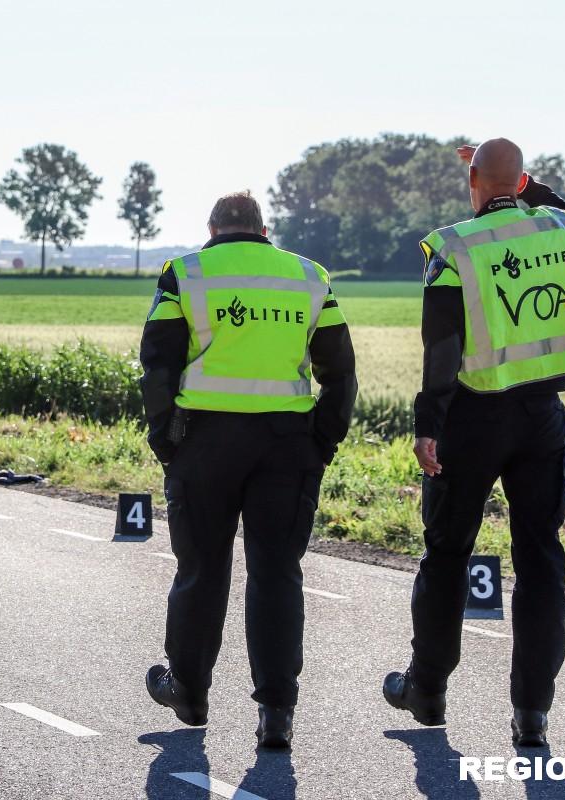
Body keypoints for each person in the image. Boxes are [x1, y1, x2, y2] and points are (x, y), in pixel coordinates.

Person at [382, 139, 565, 747]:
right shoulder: (561, 228)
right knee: (540, 561)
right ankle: (532, 711)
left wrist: (428, 422)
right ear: (526, 181)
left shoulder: (454, 246)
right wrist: (524, 186)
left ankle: (426, 690)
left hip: (473, 417)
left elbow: (442, 345)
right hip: (542, 416)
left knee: (448, 553)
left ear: (472, 180)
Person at [139, 191, 357, 748]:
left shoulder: (184, 273)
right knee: (277, 574)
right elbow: (341, 372)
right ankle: (276, 714)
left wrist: (166, 441)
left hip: (205, 444)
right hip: (286, 446)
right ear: (264, 230)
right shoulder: (310, 277)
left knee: (201, 570)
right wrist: (321, 443)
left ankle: (187, 691)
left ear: (212, 228)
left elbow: (157, 363)